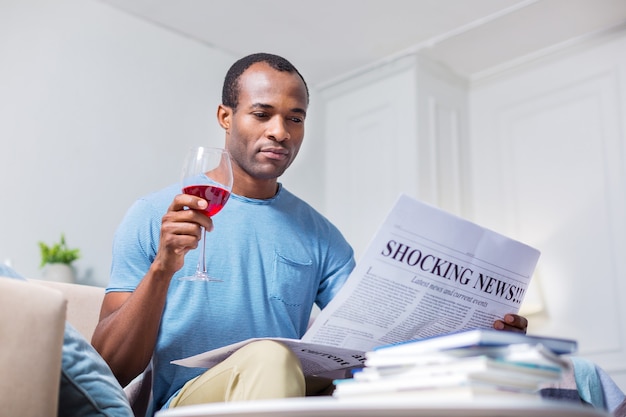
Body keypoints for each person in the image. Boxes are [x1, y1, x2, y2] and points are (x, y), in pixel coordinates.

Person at [91, 53, 528, 415]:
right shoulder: (156, 214)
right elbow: (110, 367)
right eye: (262, 114)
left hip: (289, 398)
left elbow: (374, 343)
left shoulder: (323, 237)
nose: (279, 132)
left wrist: (480, 338)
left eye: (294, 118)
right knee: (269, 357)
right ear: (226, 116)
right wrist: (163, 269)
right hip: (185, 405)